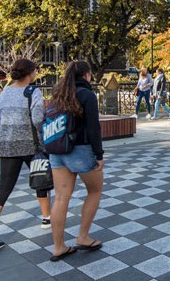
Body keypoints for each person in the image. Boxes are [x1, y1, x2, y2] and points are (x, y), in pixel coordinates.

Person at [0, 59, 51, 252]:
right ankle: (46, 218)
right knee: (40, 179)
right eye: (35, 70)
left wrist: (2, 139)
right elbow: (36, 119)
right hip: (30, 145)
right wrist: (43, 135)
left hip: (7, 146)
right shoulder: (34, 92)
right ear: (30, 73)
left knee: (4, 187)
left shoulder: (6, 91)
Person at [48, 61, 105, 262]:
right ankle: (83, 236)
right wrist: (99, 154)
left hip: (57, 150)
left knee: (61, 198)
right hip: (81, 149)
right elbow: (93, 128)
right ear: (87, 75)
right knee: (95, 191)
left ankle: (58, 247)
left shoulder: (58, 94)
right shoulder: (87, 95)